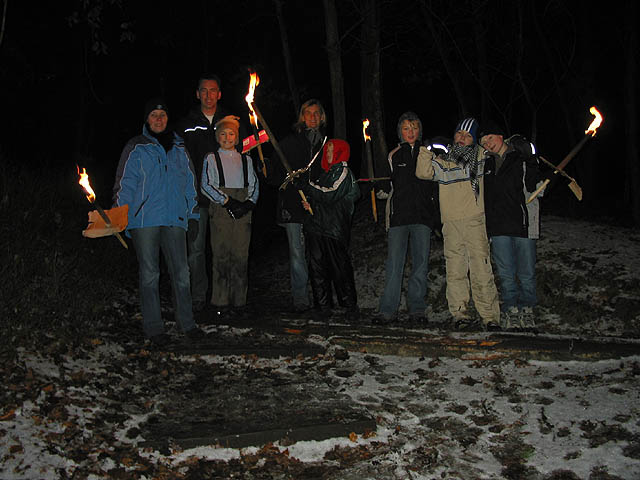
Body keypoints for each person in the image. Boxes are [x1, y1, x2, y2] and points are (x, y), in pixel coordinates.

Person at [113, 98, 202, 345]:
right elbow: (125, 184)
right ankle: (154, 328)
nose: (159, 119)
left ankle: (187, 323)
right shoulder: (136, 147)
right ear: (147, 119)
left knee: (182, 273)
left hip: (174, 218)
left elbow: (189, 184)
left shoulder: (179, 147)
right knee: (150, 274)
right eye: (153, 115)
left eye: (162, 115)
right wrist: (119, 214)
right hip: (144, 220)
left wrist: (192, 214)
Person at [416, 118, 501, 331]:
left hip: (475, 220)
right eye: (459, 134)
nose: (462, 139)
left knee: (482, 269)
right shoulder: (444, 161)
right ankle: (460, 313)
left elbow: (499, 148)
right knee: (455, 271)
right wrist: (427, 148)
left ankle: (490, 317)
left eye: (467, 135)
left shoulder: (481, 156)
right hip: (451, 223)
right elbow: (422, 172)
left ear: (474, 139)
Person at [177, 74, 232, 313]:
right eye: (204, 91)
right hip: (195, 199)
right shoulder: (186, 124)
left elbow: (245, 151)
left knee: (223, 249)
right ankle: (198, 296)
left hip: (224, 197)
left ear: (219, 93)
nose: (209, 95)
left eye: (213, 91)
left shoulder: (230, 121)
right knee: (196, 251)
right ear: (197, 94)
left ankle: (223, 297)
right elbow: (178, 159)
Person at [378, 112, 439, 325]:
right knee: (395, 265)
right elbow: (387, 184)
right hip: (399, 218)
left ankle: (417, 310)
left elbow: (435, 185)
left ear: (419, 130)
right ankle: (388, 311)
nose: (410, 132)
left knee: (420, 265)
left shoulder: (428, 153)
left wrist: (436, 216)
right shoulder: (393, 155)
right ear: (400, 132)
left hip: (422, 217)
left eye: (414, 127)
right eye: (406, 128)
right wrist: (380, 187)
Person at [479, 122, 542, 329]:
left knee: (526, 272)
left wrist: (532, 163)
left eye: (490, 137)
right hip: (498, 227)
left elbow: (536, 190)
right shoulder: (485, 165)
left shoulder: (521, 159)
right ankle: (511, 309)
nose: (488, 144)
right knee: (506, 274)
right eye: (484, 142)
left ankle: (527, 308)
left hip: (522, 225)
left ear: (501, 136)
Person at [273, 99, 328, 312]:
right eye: (308, 113)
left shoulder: (327, 144)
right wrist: (268, 169)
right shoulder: (289, 143)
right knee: (297, 252)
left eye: (317, 113)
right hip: (293, 205)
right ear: (302, 116)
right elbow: (276, 175)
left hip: (318, 204)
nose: (313, 117)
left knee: (318, 252)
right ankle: (301, 298)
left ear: (322, 117)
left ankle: (321, 296)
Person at [201, 115, 258, 311]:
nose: (227, 137)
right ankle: (220, 301)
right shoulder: (211, 158)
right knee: (221, 256)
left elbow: (254, 184)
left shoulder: (246, 159)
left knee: (241, 256)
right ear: (217, 137)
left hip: (243, 212)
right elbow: (206, 185)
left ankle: (239, 300)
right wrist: (227, 201)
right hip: (221, 211)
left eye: (231, 134)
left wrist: (249, 203)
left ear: (237, 136)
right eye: (223, 134)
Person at [298, 139, 360, 320]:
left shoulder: (344, 172)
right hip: (316, 227)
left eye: (332, 150)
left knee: (339, 267)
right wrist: (309, 203)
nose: (328, 153)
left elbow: (330, 194)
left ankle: (349, 305)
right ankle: (322, 305)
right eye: (327, 150)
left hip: (333, 229)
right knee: (317, 267)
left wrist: (308, 187)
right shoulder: (323, 174)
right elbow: (319, 197)